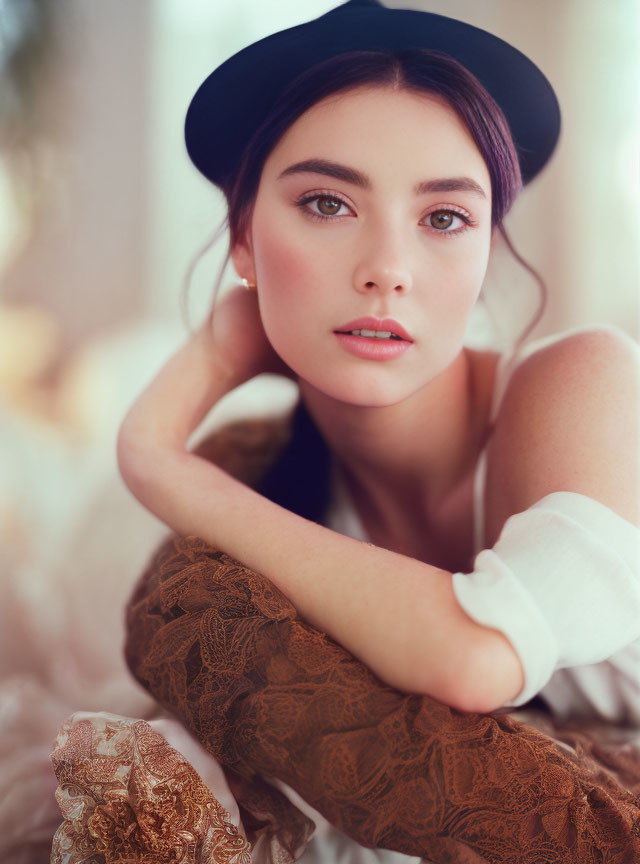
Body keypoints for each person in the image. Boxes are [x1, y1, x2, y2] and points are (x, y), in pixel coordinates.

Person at [100, 0, 640, 860]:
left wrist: (154, 457)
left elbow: (474, 657)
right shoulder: (283, 479)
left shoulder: (584, 379)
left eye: (445, 219)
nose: (387, 270)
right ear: (244, 237)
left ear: (487, 253)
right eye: (326, 203)